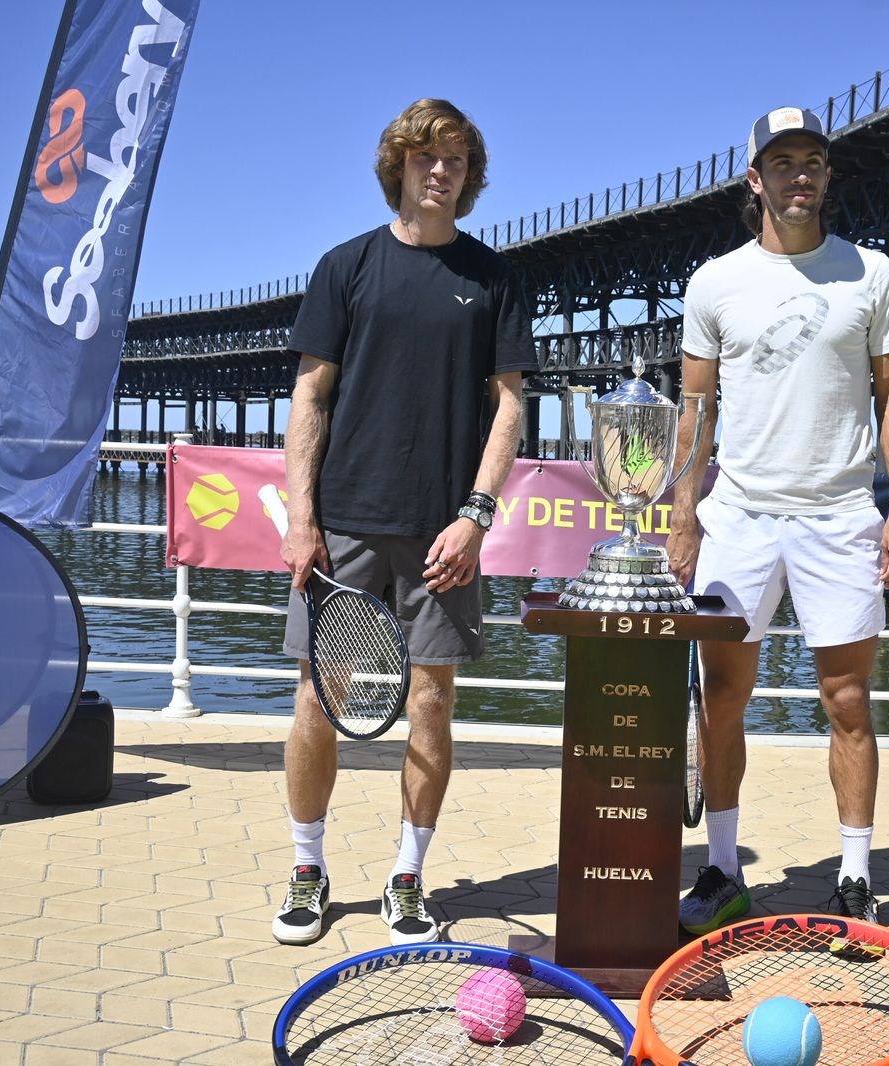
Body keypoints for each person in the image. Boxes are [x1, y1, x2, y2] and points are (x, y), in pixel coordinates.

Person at [271, 99, 537, 947]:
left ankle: (408, 876)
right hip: (345, 522)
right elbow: (310, 396)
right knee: (320, 697)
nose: (441, 171)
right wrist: (301, 519)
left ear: (470, 174)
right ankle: (308, 868)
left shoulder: (495, 278)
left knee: (432, 703)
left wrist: (476, 517)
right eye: (426, 157)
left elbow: (510, 408)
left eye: (456, 159)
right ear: (398, 166)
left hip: (443, 534)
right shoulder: (345, 267)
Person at [666, 106, 889, 932]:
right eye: (783, 163)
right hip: (738, 515)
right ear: (756, 179)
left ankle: (853, 874)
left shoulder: (871, 273)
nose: (799, 175)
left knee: (847, 699)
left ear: (829, 175)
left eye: (813, 160)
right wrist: (683, 519)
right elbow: (694, 414)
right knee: (722, 702)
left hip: (841, 514)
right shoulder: (714, 281)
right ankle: (723, 871)